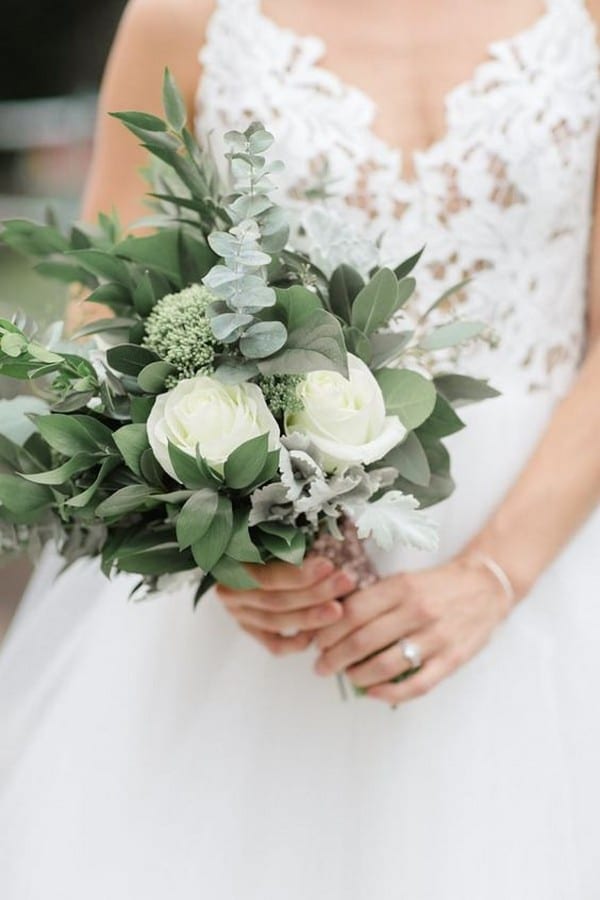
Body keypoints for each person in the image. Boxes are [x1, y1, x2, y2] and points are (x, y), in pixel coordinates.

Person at [1, 0, 600, 896]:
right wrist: (227, 551)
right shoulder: (184, 15)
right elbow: (106, 318)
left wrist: (493, 578)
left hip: (554, 545)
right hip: (267, 586)